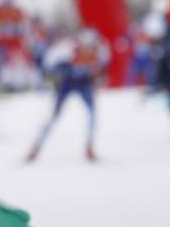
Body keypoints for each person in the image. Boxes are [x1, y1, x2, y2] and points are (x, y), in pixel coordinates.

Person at [27, 29, 109, 162]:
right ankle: (36, 146)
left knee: (92, 114)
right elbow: (49, 64)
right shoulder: (66, 51)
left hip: (84, 83)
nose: (87, 49)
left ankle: (90, 146)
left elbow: (103, 68)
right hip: (66, 84)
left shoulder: (100, 53)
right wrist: (55, 74)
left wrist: (99, 77)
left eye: (90, 46)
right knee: (54, 116)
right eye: (84, 46)